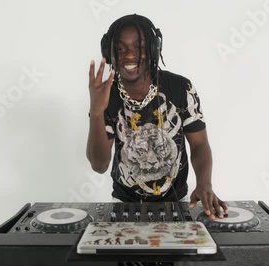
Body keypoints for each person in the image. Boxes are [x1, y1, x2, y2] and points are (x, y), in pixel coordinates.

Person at [86, 14, 228, 220]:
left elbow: (199, 144)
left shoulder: (181, 88)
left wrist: (205, 184)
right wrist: (97, 112)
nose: (129, 55)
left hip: (177, 203)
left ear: (153, 50)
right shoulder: (106, 96)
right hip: (124, 205)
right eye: (120, 48)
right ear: (109, 54)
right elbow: (99, 166)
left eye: (139, 47)